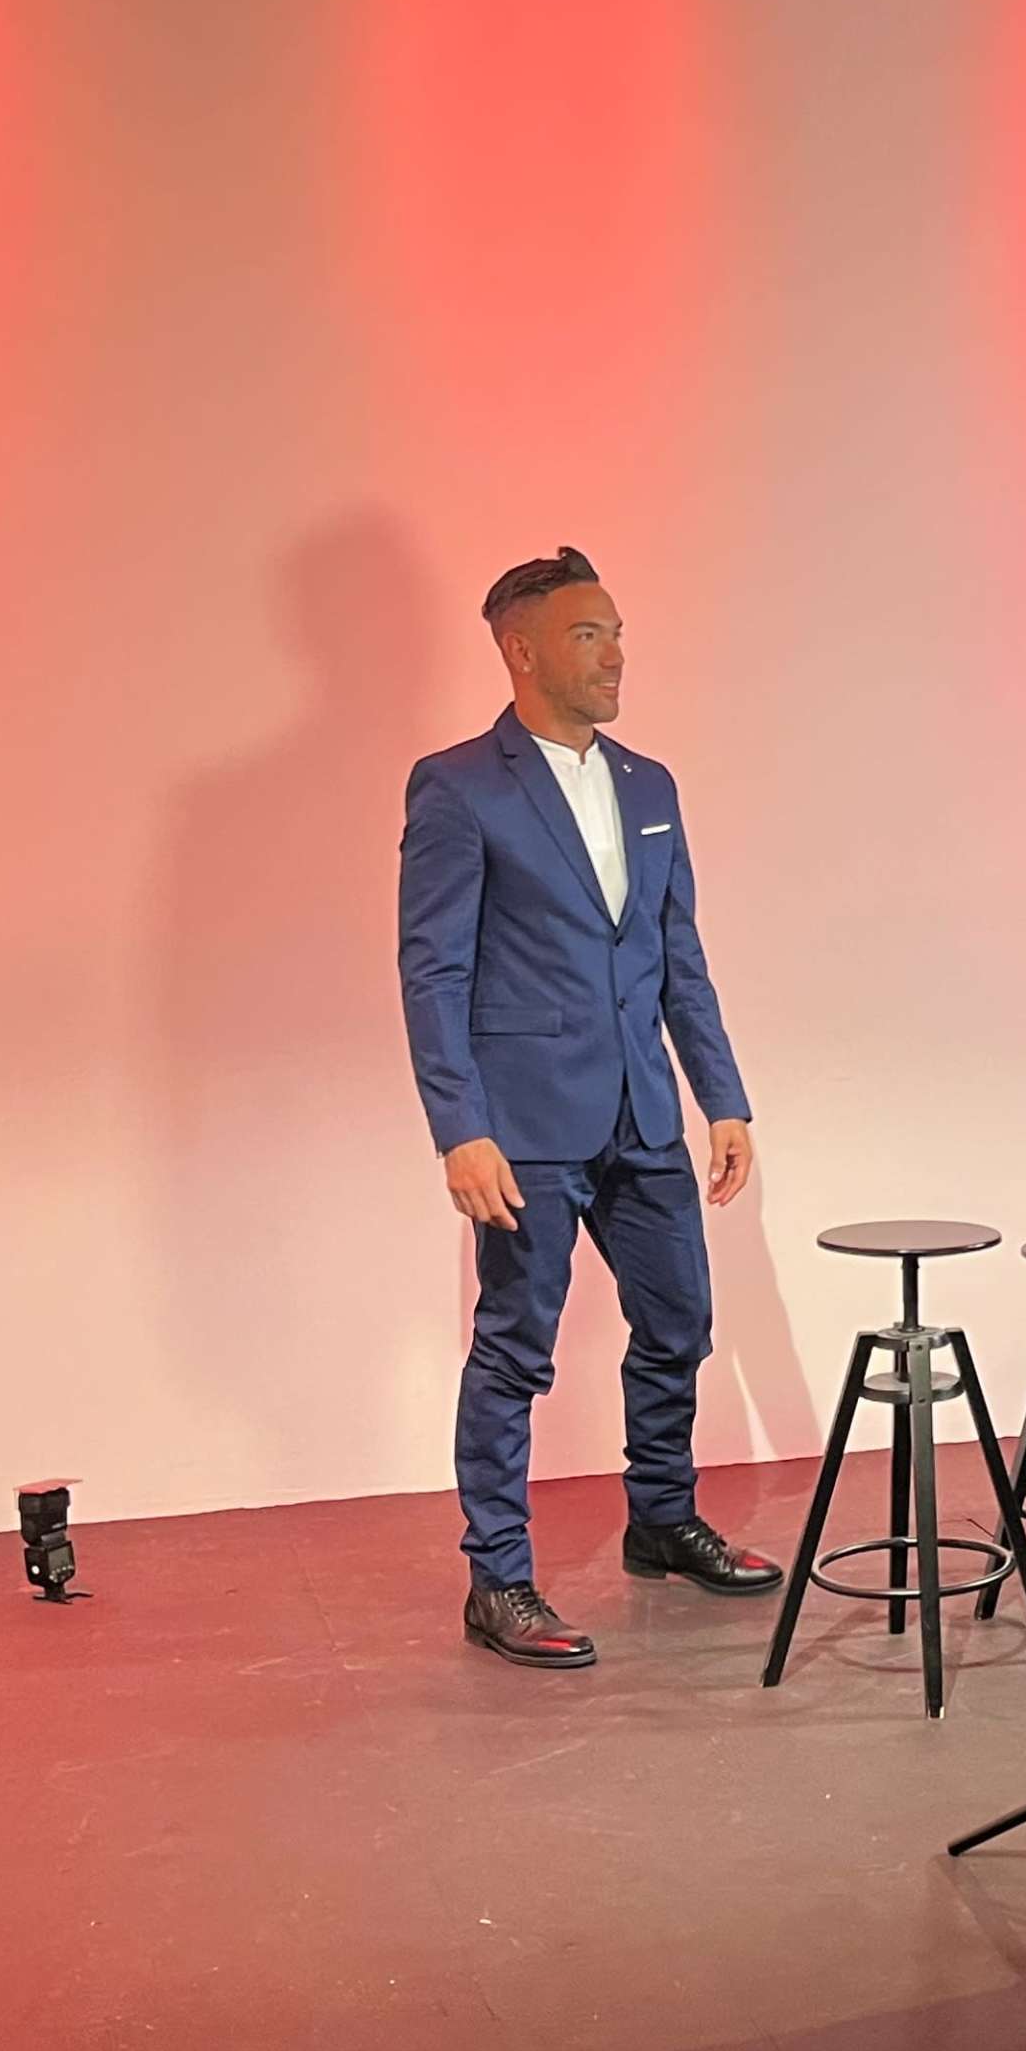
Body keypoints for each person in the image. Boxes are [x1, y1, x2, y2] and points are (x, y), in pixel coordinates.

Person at [399, 547, 784, 1670]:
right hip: (524, 1126)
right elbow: (433, 971)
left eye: (616, 633)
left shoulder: (650, 787)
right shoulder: (458, 786)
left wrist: (721, 1097)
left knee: (679, 1323)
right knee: (515, 1351)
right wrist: (459, 1128)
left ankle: (660, 1520)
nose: (615, 655)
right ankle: (498, 1579)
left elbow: (677, 955)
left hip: (642, 1112)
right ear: (521, 651)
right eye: (587, 635)